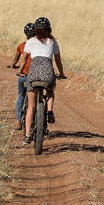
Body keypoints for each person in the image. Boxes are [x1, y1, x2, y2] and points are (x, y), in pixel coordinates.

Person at [23, 16, 66, 145]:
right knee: (50, 89)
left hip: (33, 72)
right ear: (49, 29)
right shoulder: (53, 42)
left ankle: (27, 136)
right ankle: (50, 110)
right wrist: (62, 74)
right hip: (48, 72)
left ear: (36, 29)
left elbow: (24, 59)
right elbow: (58, 61)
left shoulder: (30, 41)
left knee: (31, 106)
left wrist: (20, 71)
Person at [7, 22, 36, 130]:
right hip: (35, 76)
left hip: (24, 75)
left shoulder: (21, 46)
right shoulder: (39, 45)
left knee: (21, 96)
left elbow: (16, 59)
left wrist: (12, 65)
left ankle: (18, 121)